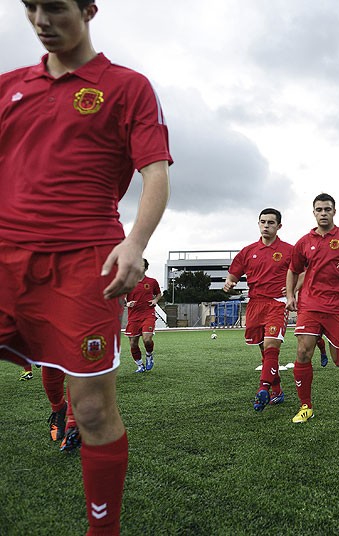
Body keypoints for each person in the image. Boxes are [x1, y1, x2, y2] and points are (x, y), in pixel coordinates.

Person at [0, 1, 172, 532]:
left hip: (84, 264)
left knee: (93, 409)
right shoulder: (8, 87)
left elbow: (155, 173)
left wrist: (135, 242)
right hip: (5, 257)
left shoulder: (128, 87)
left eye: (54, 7)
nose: (41, 20)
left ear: (89, 8)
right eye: (31, 7)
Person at [285, 193, 339, 423]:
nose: (323, 213)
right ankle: (306, 406)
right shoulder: (304, 242)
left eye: (327, 209)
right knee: (303, 352)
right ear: (313, 213)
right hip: (310, 304)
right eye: (319, 210)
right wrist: (290, 295)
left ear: (334, 211)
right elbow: (293, 270)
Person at [224, 208, 293, 412]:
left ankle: (263, 388)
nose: (266, 225)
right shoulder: (248, 251)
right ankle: (277, 390)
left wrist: (293, 288)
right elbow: (234, 273)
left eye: (271, 222)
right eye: (263, 222)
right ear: (258, 224)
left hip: (278, 303)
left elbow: (304, 272)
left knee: (272, 346)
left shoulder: (290, 250)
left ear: (279, 226)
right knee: (266, 353)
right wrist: (230, 283)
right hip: (255, 304)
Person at [125, 258, 162, 373]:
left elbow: (159, 294)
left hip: (148, 313)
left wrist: (155, 300)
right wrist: (127, 303)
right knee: (133, 343)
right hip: (133, 316)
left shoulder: (152, 282)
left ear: (145, 268)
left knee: (147, 339)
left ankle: (149, 354)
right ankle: (140, 365)